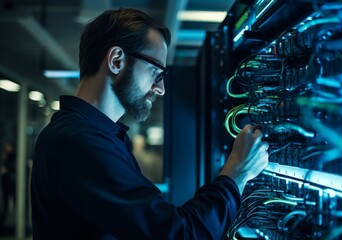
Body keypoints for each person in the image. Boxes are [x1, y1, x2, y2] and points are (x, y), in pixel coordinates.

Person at [31, 8, 269, 239]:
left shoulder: (90, 135)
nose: (161, 89)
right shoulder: (79, 142)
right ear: (116, 60)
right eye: (156, 72)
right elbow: (178, 234)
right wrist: (237, 172)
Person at [0, 142, 16, 232]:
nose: (6, 147)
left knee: (9, 203)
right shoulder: (6, 155)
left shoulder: (11, 156)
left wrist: (7, 169)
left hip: (10, 184)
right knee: (6, 204)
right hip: (7, 184)